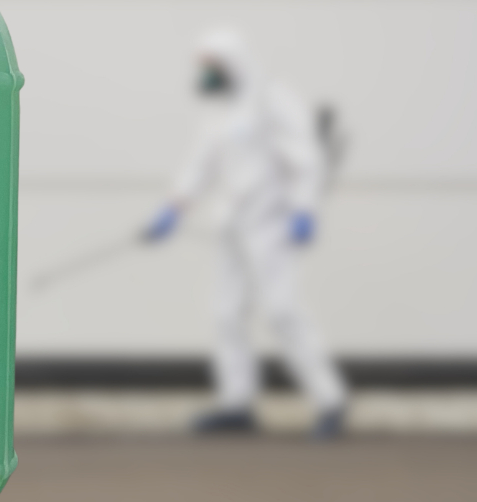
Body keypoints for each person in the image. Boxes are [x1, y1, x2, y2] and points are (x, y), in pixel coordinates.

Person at [145, 28, 347, 438]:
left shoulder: (272, 100)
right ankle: (237, 402)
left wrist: (304, 208)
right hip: (232, 224)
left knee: (282, 309)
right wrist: (174, 207)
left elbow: (305, 156)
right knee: (226, 312)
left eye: (211, 66)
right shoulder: (221, 111)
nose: (205, 74)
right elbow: (201, 164)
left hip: (270, 223)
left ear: (231, 64)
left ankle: (330, 400)